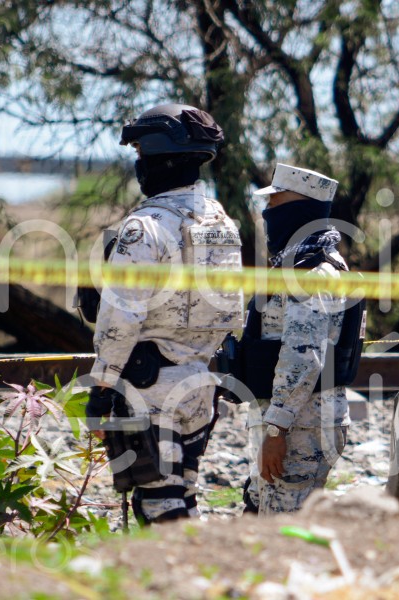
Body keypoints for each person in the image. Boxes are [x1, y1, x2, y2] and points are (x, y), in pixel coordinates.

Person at [85, 103, 243, 524]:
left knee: (158, 503)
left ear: (157, 158)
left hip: (150, 388)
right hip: (199, 384)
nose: (138, 165)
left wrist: (100, 390)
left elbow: (120, 322)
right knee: (183, 495)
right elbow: (232, 311)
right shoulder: (222, 223)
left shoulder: (145, 227)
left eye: (139, 154)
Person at [241, 163, 353, 514]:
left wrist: (276, 432)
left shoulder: (310, 271)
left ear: (299, 207)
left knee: (281, 535)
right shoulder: (299, 263)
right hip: (299, 420)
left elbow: (303, 356)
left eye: (275, 203)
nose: (266, 211)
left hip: (300, 425)